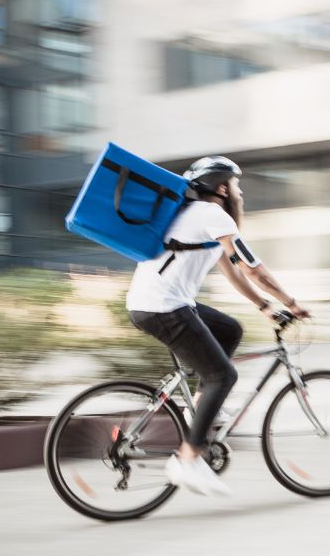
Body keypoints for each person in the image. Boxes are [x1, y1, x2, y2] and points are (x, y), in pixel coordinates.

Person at [126, 156, 310, 497]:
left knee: (229, 330)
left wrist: (266, 307)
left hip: (153, 303)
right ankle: (188, 459)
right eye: (236, 186)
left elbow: (233, 272)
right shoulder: (213, 216)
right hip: (163, 307)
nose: (240, 193)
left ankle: (198, 406)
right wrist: (292, 302)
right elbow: (253, 267)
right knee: (223, 376)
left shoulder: (195, 217)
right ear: (222, 188)